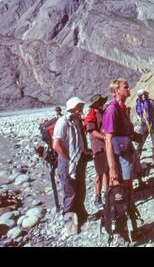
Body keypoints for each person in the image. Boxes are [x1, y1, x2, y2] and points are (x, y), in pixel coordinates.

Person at [102, 78, 140, 237]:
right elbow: (108, 139)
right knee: (119, 195)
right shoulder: (112, 110)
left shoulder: (121, 108)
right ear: (117, 90)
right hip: (120, 159)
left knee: (128, 192)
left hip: (126, 156)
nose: (128, 88)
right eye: (125, 87)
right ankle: (120, 233)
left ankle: (131, 229)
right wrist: (112, 168)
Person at [52, 97, 89, 236]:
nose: (81, 110)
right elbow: (56, 145)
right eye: (79, 107)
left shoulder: (77, 121)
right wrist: (69, 159)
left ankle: (82, 217)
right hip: (66, 162)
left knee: (80, 189)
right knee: (70, 193)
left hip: (77, 160)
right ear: (73, 108)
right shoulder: (62, 122)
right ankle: (69, 225)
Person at [84, 94, 109, 207]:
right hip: (98, 147)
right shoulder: (91, 115)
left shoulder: (102, 112)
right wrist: (104, 137)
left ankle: (106, 193)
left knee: (107, 171)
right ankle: (97, 196)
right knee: (100, 173)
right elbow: (92, 131)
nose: (101, 104)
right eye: (99, 102)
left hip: (106, 145)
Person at [135, 90, 154, 164]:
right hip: (144, 124)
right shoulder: (138, 104)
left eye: (144, 94)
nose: (143, 96)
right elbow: (138, 113)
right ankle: (137, 158)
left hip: (151, 123)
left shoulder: (151, 102)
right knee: (140, 142)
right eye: (142, 95)